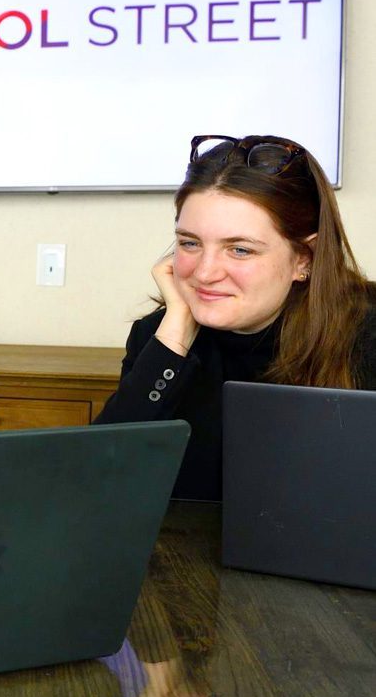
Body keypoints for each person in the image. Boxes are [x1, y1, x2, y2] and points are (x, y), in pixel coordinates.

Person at [97, 134, 376, 500]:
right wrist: (174, 337)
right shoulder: (160, 337)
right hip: (181, 556)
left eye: (240, 249)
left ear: (304, 260)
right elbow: (97, 477)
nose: (205, 272)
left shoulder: (366, 336)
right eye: (189, 243)